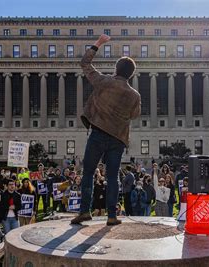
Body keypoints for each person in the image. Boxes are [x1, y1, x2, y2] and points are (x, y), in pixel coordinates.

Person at [71, 33, 141, 226]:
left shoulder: (104, 82)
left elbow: (85, 63)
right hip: (118, 138)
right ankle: (112, 215)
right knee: (112, 177)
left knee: (88, 174)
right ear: (131, 74)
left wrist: (98, 43)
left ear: (116, 69)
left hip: (98, 133)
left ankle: (85, 211)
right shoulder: (134, 95)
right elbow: (134, 115)